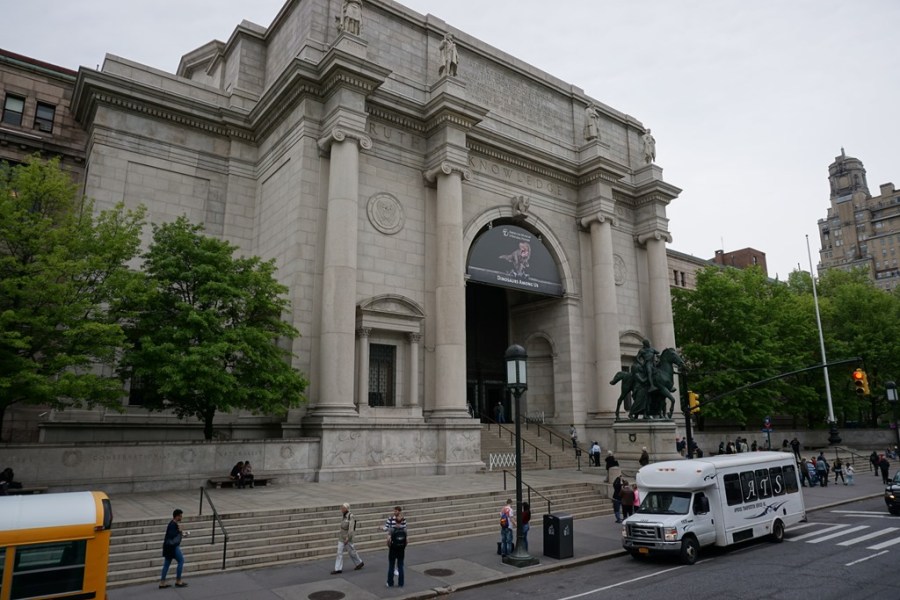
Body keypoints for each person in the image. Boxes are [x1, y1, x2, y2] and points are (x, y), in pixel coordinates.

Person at [159, 508, 189, 588]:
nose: (181, 517)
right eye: (180, 516)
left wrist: (181, 533)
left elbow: (173, 535)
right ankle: (178, 581)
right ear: (176, 516)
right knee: (181, 561)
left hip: (168, 547)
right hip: (173, 547)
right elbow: (173, 536)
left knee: (166, 564)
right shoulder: (173, 525)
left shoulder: (172, 524)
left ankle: (162, 582)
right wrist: (180, 531)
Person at [332, 502, 364, 574]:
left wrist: (348, 537)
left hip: (348, 537)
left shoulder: (351, 516)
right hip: (341, 537)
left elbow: (351, 528)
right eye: (341, 508)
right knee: (339, 552)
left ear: (346, 509)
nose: (341, 509)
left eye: (343, 508)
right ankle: (338, 569)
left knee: (351, 552)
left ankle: (359, 562)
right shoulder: (343, 516)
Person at [382, 506, 406, 588]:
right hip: (401, 550)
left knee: (391, 566)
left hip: (393, 549)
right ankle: (401, 583)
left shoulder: (392, 530)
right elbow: (407, 541)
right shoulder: (404, 530)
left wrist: (389, 546)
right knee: (400, 566)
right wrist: (403, 547)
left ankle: (390, 582)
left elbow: (388, 540)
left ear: (395, 521)